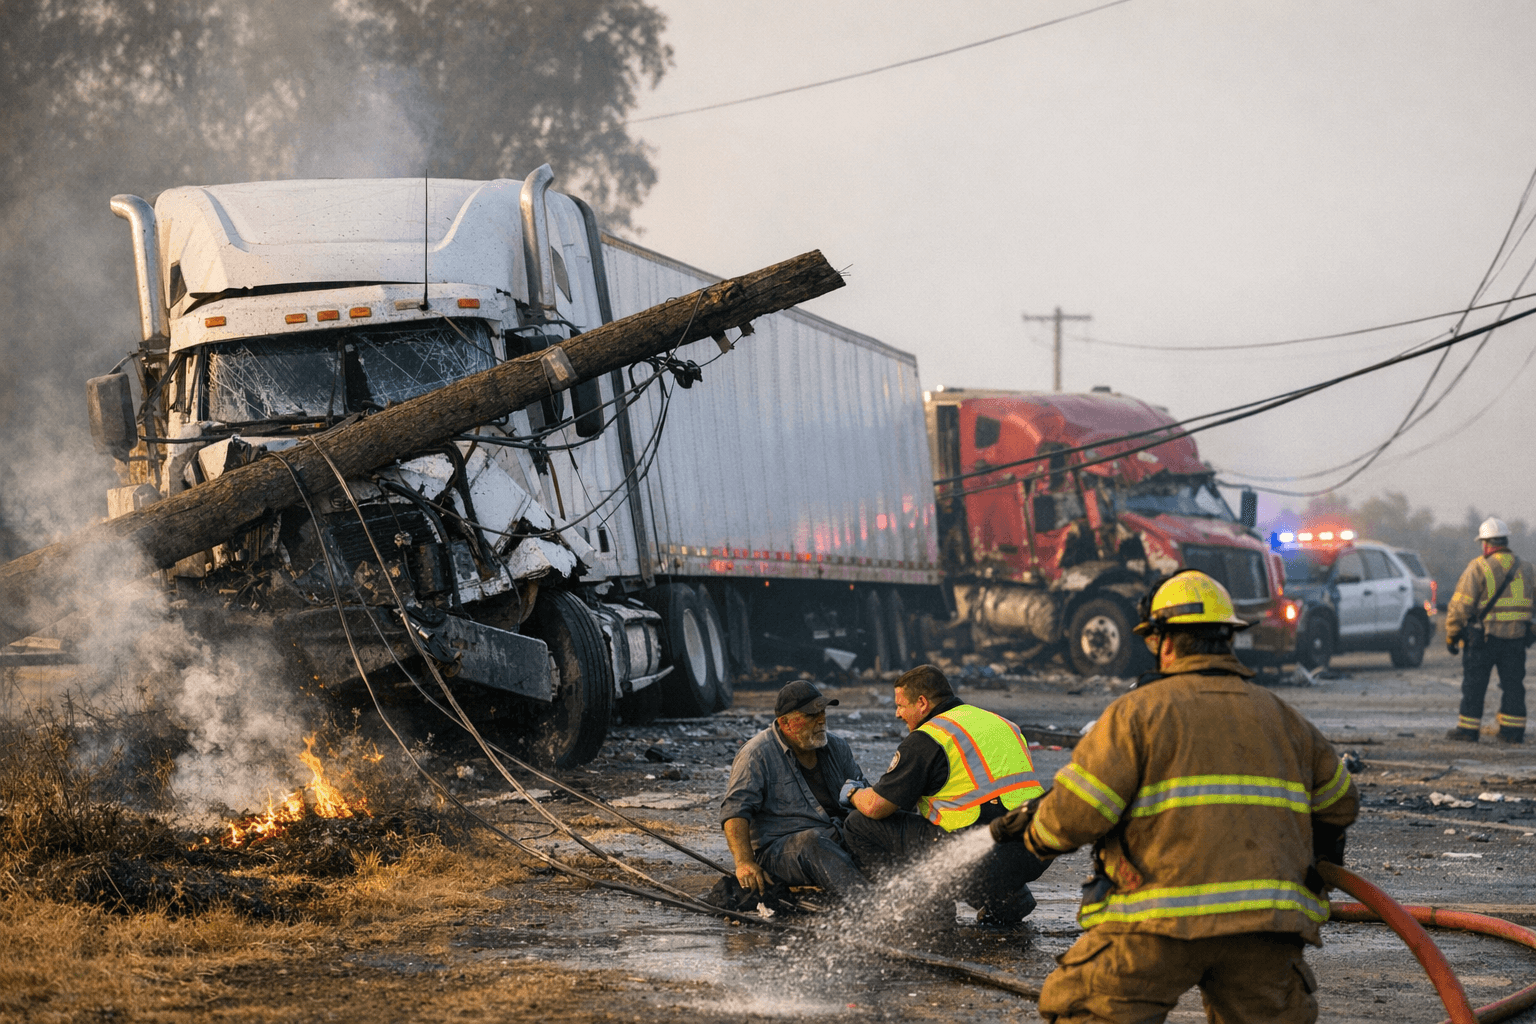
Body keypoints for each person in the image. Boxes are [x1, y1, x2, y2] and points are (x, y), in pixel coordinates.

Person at [990, 570, 1359, 1024]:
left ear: (1162, 642)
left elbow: (1075, 816)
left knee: (1085, 1009)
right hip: (1265, 928)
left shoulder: (1135, 714)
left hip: (1156, 921)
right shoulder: (1286, 718)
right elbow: (1341, 804)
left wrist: (1034, 833)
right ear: (1228, 639)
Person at [842, 664, 1048, 926]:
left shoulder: (929, 738)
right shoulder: (1001, 723)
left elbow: (876, 806)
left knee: (858, 825)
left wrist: (853, 792)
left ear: (922, 703)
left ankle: (923, 907)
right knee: (969, 828)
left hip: (981, 857)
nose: (897, 714)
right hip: (1036, 849)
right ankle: (1007, 899)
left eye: (901, 705)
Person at [719, 680, 869, 899]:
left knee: (878, 820)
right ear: (785, 723)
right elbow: (735, 812)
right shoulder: (756, 754)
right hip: (783, 850)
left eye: (823, 712)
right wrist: (744, 863)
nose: (821, 719)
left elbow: (862, 790)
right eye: (811, 715)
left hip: (837, 834)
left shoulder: (837, 746)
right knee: (811, 842)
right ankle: (867, 903)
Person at [1444, 517, 1534, 744]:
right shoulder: (1526, 568)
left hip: (1483, 639)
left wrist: (1452, 633)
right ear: (1505, 541)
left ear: (1485, 544)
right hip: (1516, 639)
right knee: (1513, 686)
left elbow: (1461, 605)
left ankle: (1468, 731)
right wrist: (1531, 630)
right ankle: (1512, 732)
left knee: (1474, 686)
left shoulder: (1479, 567)